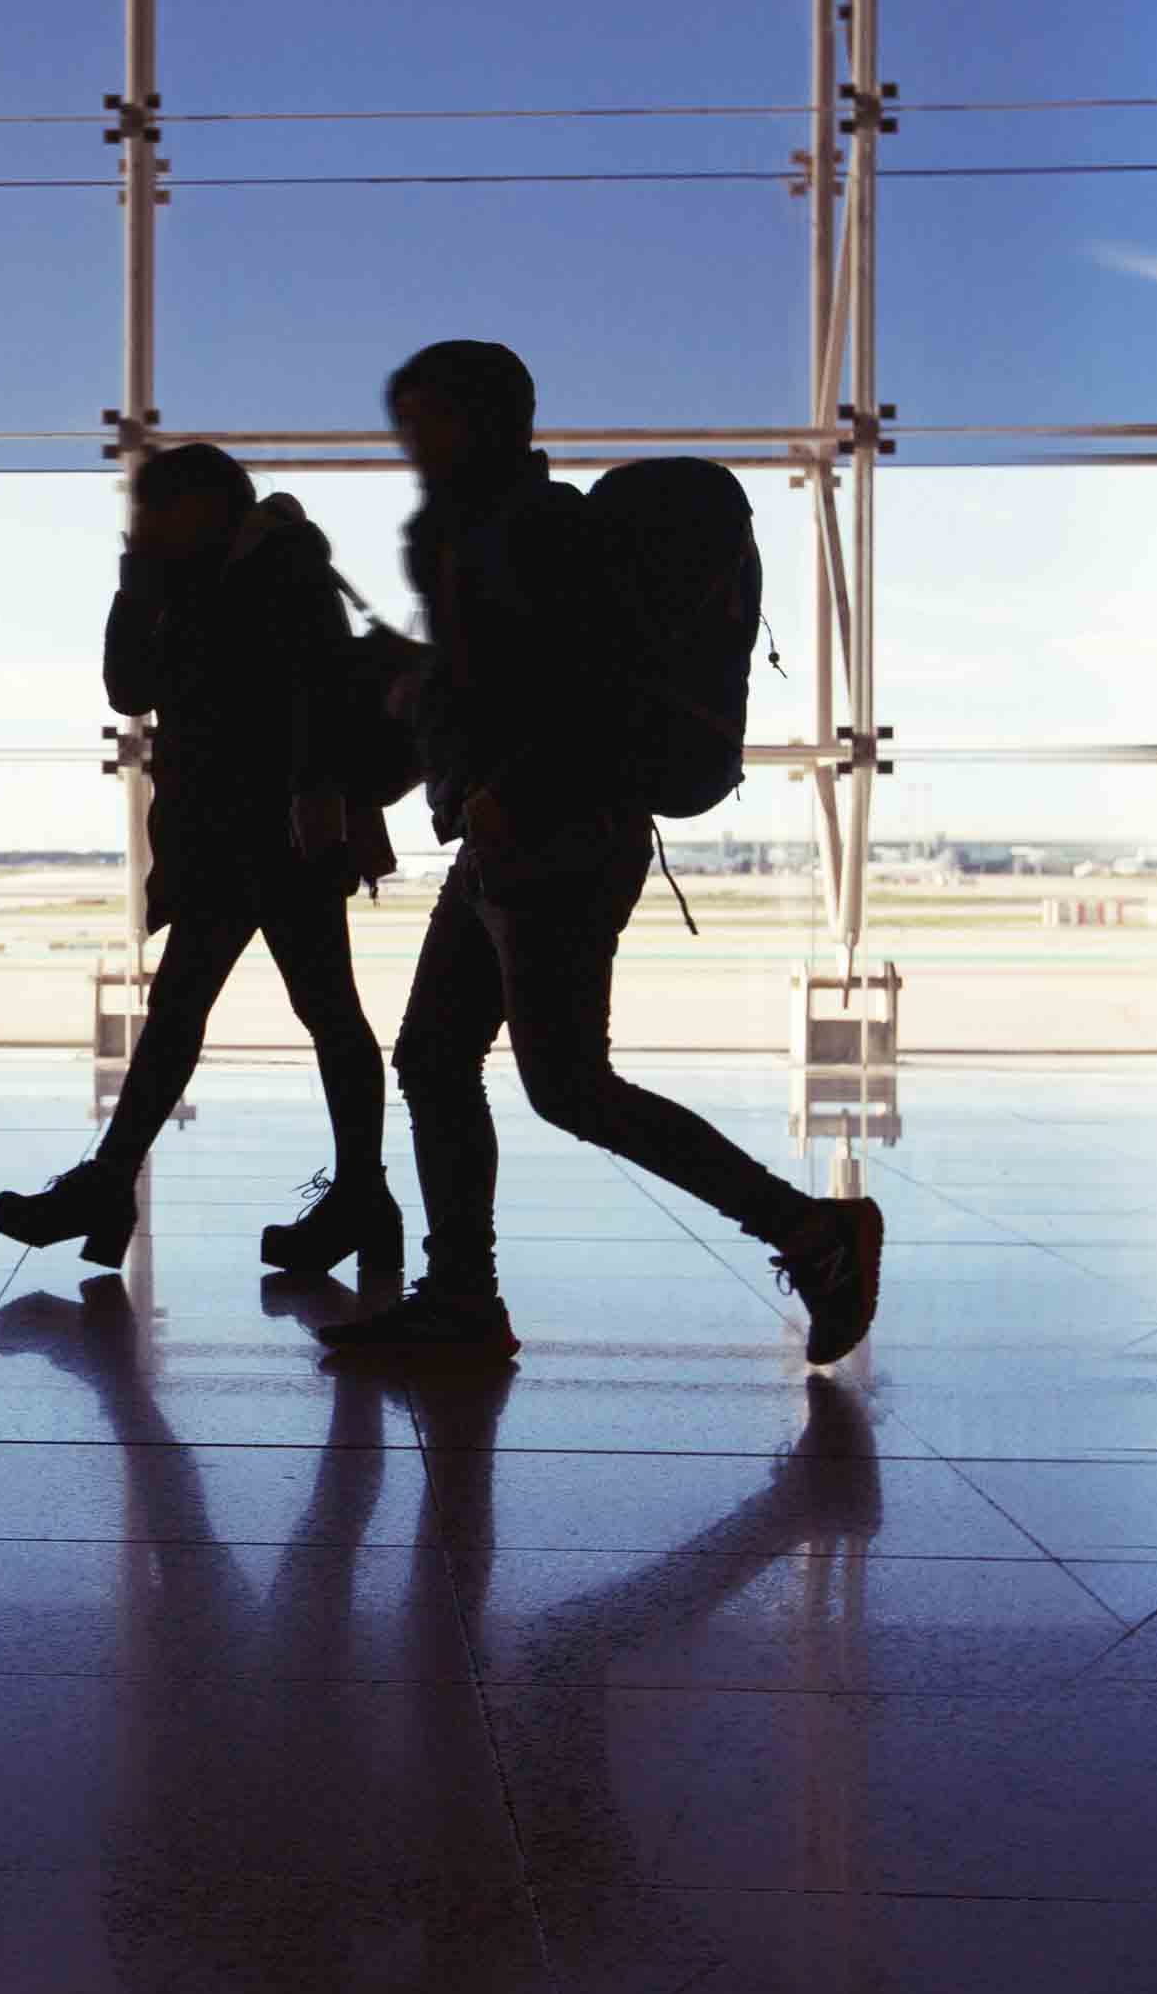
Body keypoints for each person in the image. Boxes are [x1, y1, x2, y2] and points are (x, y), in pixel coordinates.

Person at [323, 339, 883, 1365]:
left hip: (555, 836)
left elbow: (589, 688)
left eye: (429, 419)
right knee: (438, 1060)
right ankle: (462, 1300)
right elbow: (484, 692)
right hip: (504, 836)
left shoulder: (536, 530)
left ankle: (813, 1232)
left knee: (564, 1083)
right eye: (406, 420)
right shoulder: (474, 531)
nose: (411, 441)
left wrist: (502, 784)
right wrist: (417, 735)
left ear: (490, 420)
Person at [0, 441, 400, 1278]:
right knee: (282, 1011)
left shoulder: (280, 567)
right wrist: (138, 580)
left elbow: (308, 694)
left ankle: (114, 1187)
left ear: (206, 505)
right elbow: (129, 689)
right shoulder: (196, 577)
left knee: (264, 1011)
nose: (138, 525)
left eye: (152, 510)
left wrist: (319, 806)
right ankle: (358, 1197)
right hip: (231, 829)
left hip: (276, 830)